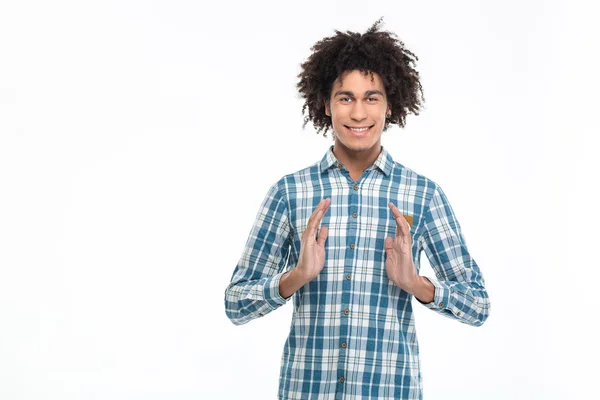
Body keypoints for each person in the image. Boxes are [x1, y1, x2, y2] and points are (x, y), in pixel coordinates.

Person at [224, 17, 490, 400]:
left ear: (389, 105)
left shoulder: (422, 194)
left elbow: (477, 304)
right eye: (345, 97)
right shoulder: (290, 192)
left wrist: (416, 284)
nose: (359, 114)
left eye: (372, 97)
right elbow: (236, 304)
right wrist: (296, 276)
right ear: (326, 104)